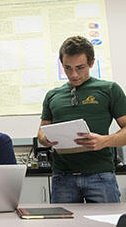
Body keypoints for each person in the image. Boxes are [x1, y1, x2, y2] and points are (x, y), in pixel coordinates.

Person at [37, 35, 126, 203]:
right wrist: (46, 139)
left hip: (100, 176)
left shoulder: (110, 89)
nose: (74, 74)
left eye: (80, 67)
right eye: (67, 68)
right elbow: (41, 132)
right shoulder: (52, 95)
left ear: (92, 63)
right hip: (62, 177)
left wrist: (105, 141)